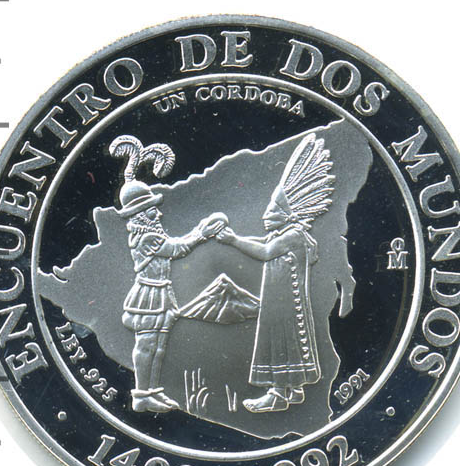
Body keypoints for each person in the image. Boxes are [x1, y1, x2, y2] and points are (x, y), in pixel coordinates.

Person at [216, 134, 335, 412]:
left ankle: (278, 394)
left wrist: (233, 241)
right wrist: (235, 238)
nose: (265, 216)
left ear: (286, 213)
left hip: (283, 307)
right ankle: (293, 390)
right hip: (282, 302)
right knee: (288, 342)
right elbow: (264, 243)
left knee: (279, 341)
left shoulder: (292, 236)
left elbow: (266, 251)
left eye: (272, 211)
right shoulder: (287, 235)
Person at [111, 135, 226, 413]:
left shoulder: (151, 232)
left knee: (159, 344)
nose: (159, 215)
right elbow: (176, 249)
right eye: (153, 211)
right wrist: (201, 233)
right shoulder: (146, 237)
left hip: (161, 290)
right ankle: (141, 394)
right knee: (147, 344)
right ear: (140, 215)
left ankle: (152, 390)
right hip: (149, 293)